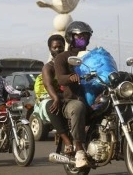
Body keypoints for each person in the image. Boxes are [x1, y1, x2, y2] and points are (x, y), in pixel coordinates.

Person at [54, 21, 93, 168]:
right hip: (72, 100)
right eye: (79, 36)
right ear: (70, 38)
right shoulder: (63, 57)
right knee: (77, 107)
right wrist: (70, 77)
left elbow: (104, 68)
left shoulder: (92, 55)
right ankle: (79, 150)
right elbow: (59, 78)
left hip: (92, 97)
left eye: (85, 36)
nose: (82, 39)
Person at [41, 34, 73, 153]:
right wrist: (55, 98)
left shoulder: (70, 64)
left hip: (72, 95)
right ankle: (67, 141)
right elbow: (48, 84)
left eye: (61, 47)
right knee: (51, 107)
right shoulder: (48, 67)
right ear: (50, 49)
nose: (58, 49)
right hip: (58, 97)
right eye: (55, 47)